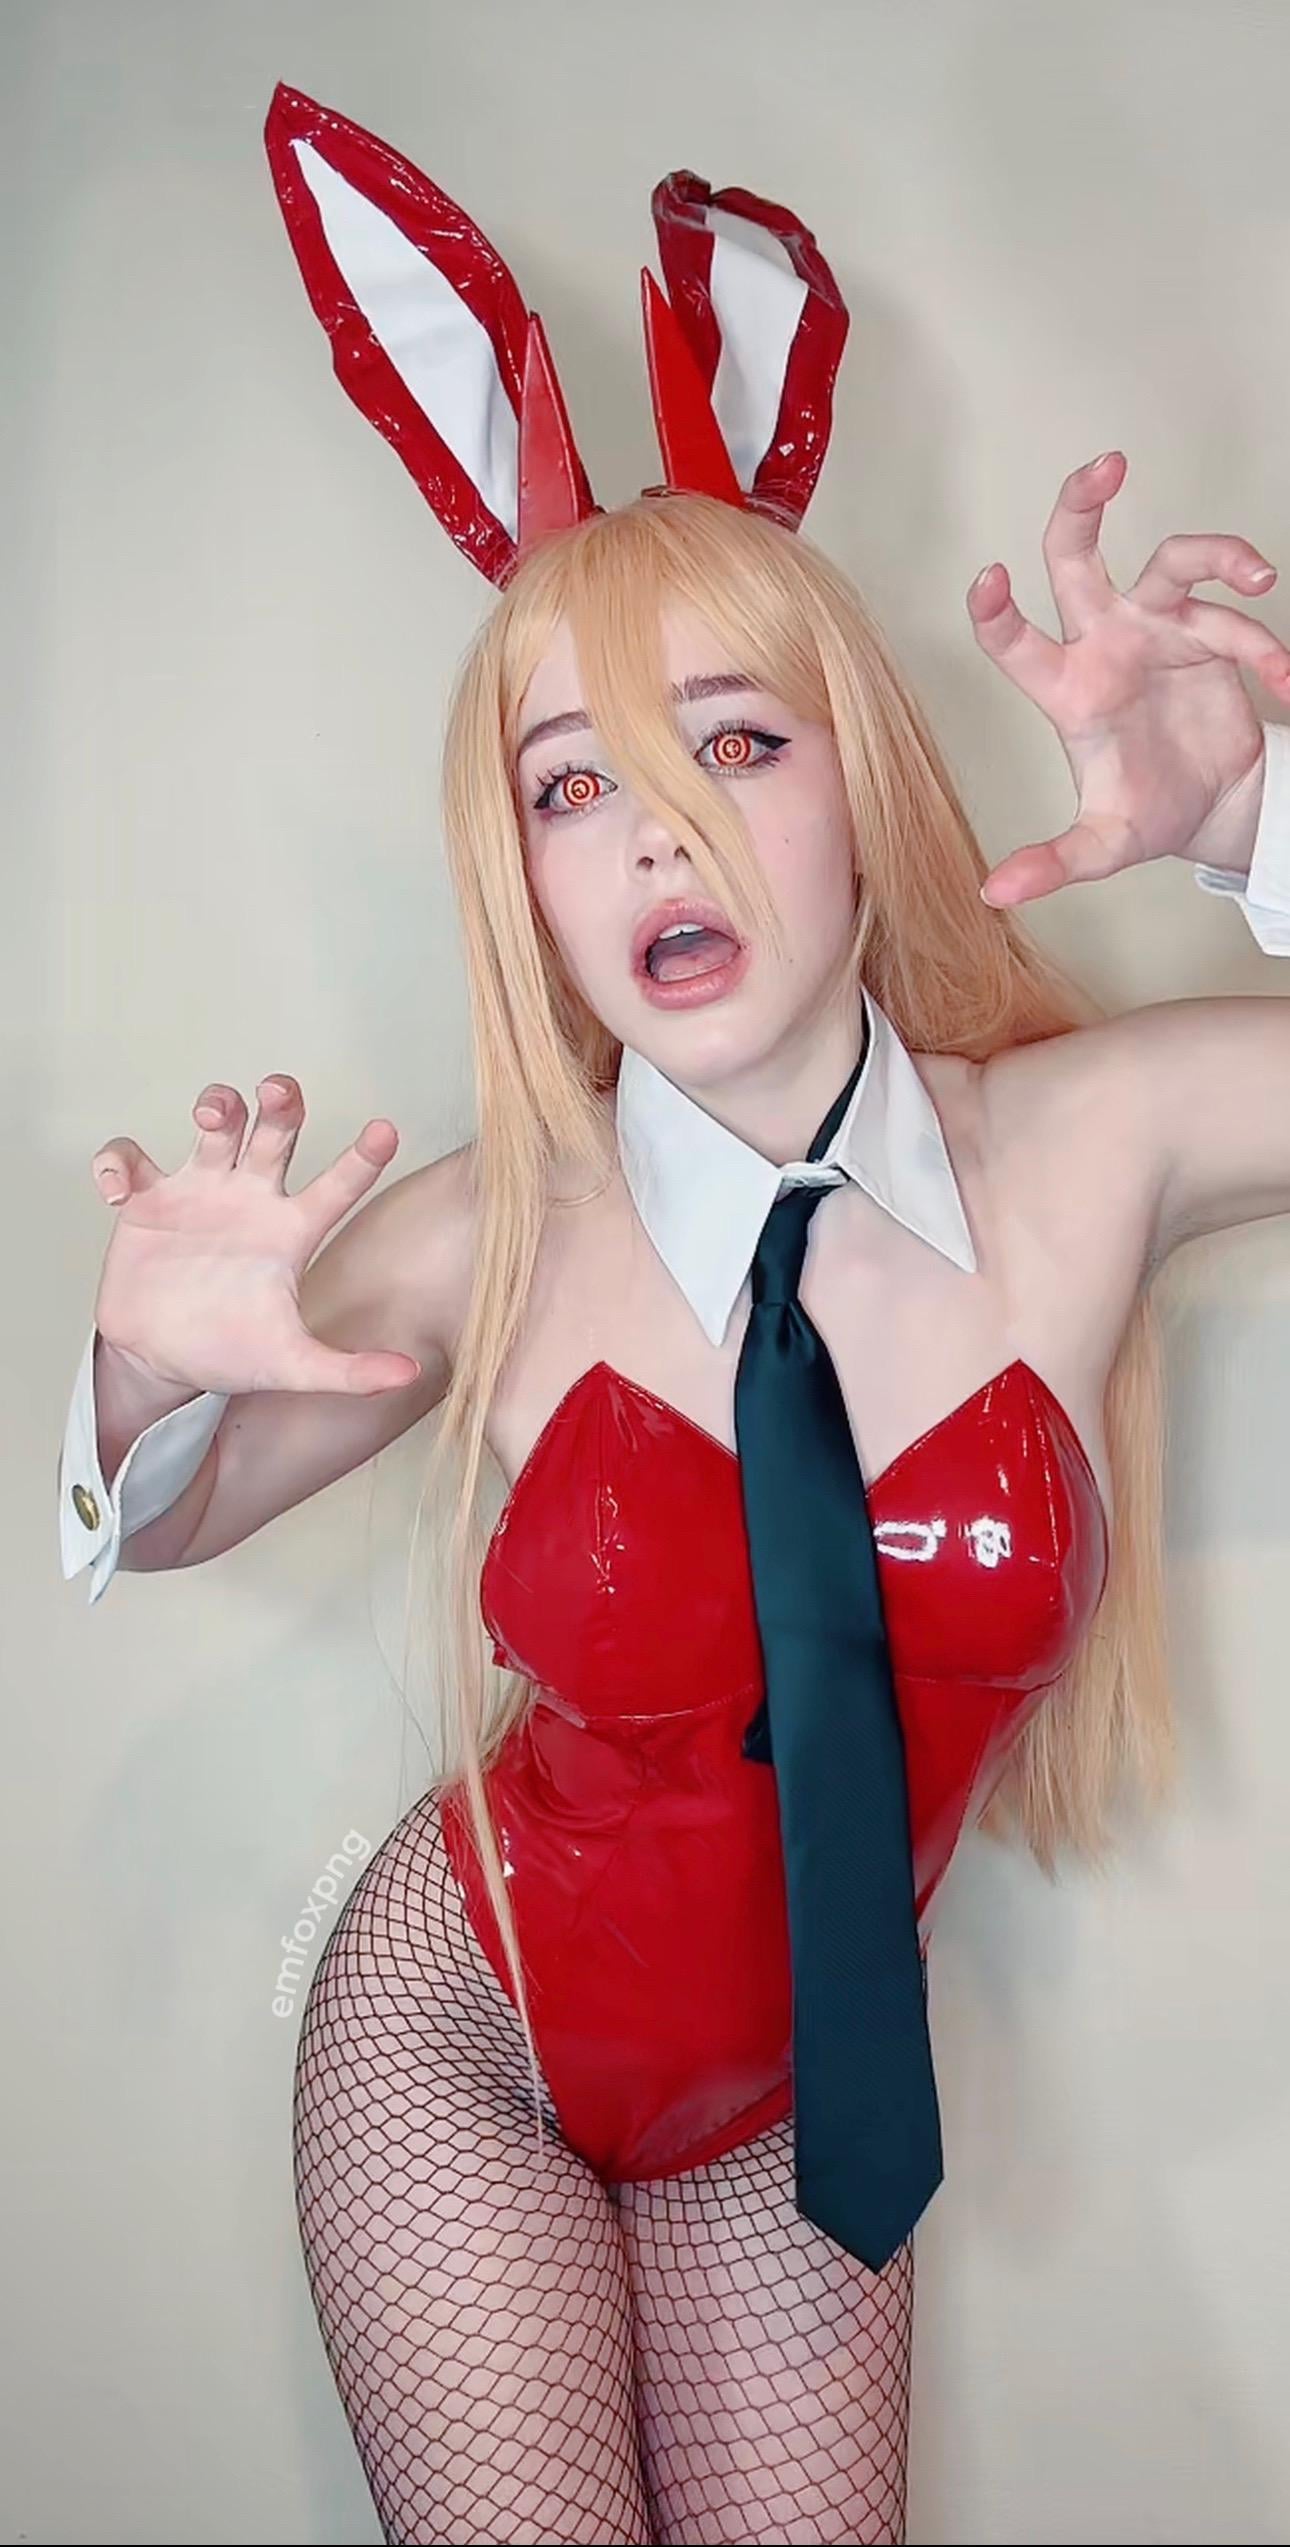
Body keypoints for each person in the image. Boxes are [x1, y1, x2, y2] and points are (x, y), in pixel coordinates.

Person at [57, 83, 1290, 2547]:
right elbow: (156, 1515)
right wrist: (146, 1371)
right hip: (463, 2032)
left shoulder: (1091, 1150)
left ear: (864, 786)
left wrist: (1261, 822)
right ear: (519, 874)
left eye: (735, 739)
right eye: (570, 783)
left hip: (798, 2093)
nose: (660, 829)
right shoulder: (484, 1234)